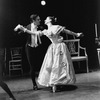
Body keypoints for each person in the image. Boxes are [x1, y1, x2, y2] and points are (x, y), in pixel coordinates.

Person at [14, 16, 82, 93]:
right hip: (53, 48)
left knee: (60, 65)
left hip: (60, 47)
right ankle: (54, 83)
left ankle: (60, 82)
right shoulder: (45, 30)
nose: (44, 20)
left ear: (50, 20)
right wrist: (24, 29)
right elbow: (34, 33)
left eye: (46, 18)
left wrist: (77, 34)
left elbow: (67, 31)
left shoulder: (57, 27)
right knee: (53, 65)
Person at [14, 14, 42, 90]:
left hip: (37, 48)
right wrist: (17, 29)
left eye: (39, 19)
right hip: (29, 48)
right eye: (38, 19)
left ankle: (44, 81)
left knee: (39, 65)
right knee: (32, 66)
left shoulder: (40, 27)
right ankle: (34, 84)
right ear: (33, 20)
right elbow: (19, 33)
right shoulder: (28, 27)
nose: (40, 21)